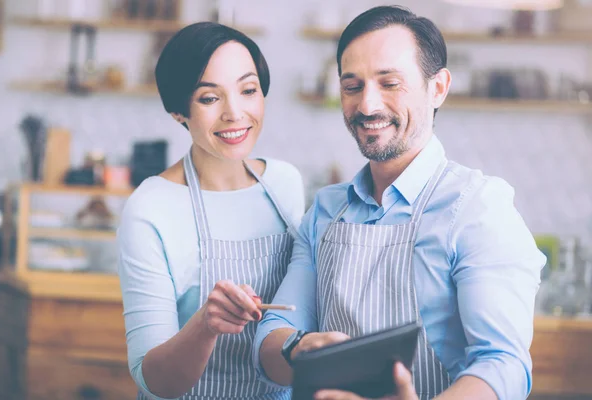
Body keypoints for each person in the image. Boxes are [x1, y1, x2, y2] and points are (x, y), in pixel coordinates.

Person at [253, 6, 545, 400]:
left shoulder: (478, 208)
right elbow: (273, 332)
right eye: (352, 86)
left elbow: (502, 363)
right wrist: (298, 348)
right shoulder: (325, 210)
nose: (368, 106)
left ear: (438, 87)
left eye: (389, 83)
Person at [117, 22, 305, 400]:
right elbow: (154, 380)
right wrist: (206, 323)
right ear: (178, 112)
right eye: (208, 98)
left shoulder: (286, 183)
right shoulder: (150, 208)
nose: (235, 113)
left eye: (248, 90)